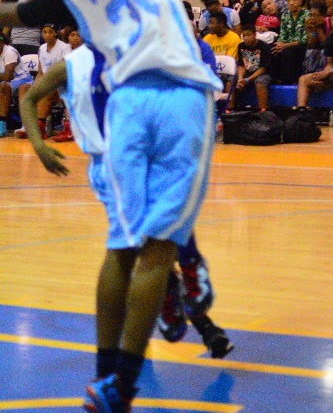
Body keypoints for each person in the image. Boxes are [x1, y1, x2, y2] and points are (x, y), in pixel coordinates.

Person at [0, 0, 222, 413]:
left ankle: (105, 378)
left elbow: (10, 9)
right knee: (156, 249)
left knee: (122, 247)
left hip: (126, 108)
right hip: (178, 98)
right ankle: (125, 377)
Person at [19, 44, 233, 360]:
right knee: (149, 246)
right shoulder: (71, 65)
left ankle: (187, 309)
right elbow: (29, 98)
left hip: (146, 154)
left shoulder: (138, 53)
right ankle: (197, 320)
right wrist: (38, 144)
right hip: (109, 164)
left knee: (159, 238)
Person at [14, 23, 70, 139]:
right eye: (45, 32)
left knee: (45, 90)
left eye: (50, 32)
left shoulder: (64, 47)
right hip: (47, 83)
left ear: (56, 33)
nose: (47, 35)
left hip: (61, 86)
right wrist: (35, 87)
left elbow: (66, 71)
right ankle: (26, 125)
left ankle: (40, 127)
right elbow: (40, 72)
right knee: (24, 88)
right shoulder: (41, 48)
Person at [272, 0, 309, 83]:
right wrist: (279, 44)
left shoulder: (307, 14)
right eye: (289, 0)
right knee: (273, 49)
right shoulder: (285, 15)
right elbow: (282, 34)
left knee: (288, 52)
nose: (291, 3)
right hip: (286, 45)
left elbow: (304, 39)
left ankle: (289, 81)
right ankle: (275, 79)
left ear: (300, 1)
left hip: (301, 46)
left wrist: (285, 46)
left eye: (294, 0)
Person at [0, 34, 33, 137]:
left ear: (2, 42)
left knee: (4, 86)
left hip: (22, 79)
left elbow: (8, 77)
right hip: (7, 81)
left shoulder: (10, 52)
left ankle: (2, 124)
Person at [236, 24, 272, 110]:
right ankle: (231, 109)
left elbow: (264, 68)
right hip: (247, 73)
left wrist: (248, 80)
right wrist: (240, 78)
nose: (246, 38)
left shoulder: (264, 46)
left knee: (260, 81)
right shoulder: (241, 46)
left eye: (248, 35)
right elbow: (241, 65)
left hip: (262, 73)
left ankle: (263, 110)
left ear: (255, 35)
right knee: (232, 80)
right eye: (244, 36)